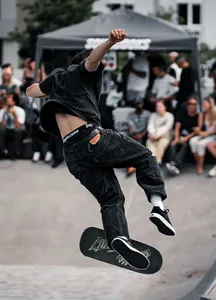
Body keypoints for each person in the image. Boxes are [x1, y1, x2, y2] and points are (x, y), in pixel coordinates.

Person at [26, 29, 175, 270]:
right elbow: (93, 60)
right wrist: (111, 42)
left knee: (111, 197)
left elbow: (31, 91)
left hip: (72, 156)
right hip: (90, 138)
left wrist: (46, 88)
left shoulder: (56, 80)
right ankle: (159, 208)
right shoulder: (81, 73)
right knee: (146, 156)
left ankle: (118, 237)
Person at [146, 100, 174, 165]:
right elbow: (150, 125)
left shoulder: (169, 116)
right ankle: (152, 163)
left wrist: (157, 135)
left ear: (165, 107)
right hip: (152, 136)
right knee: (150, 147)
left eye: (160, 106)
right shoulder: (153, 115)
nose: (158, 108)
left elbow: (166, 128)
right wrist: (153, 134)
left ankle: (156, 163)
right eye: (157, 107)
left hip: (165, 137)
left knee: (161, 145)